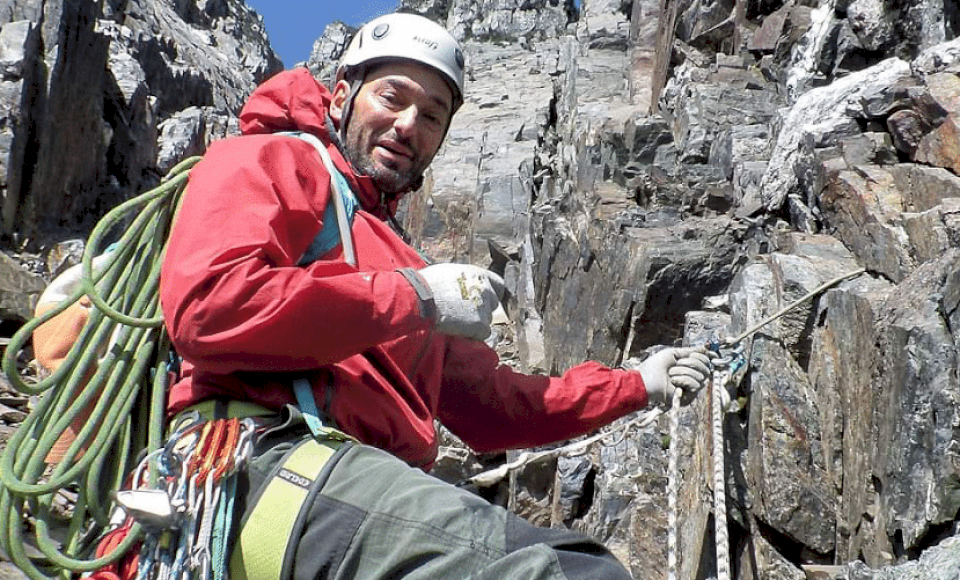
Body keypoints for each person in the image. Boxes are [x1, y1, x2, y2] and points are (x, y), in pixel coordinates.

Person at [158, 12, 712, 580]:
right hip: (271, 461)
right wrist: (415, 296)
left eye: (431, 116)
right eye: (392, 98)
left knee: (579, 562)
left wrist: (634, 385)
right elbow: (210, 306)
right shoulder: (273, 161)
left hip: (351, 492)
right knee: (565, 574)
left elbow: (491, 405)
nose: (407, 125)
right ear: (343, 94)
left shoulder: (397, 256)